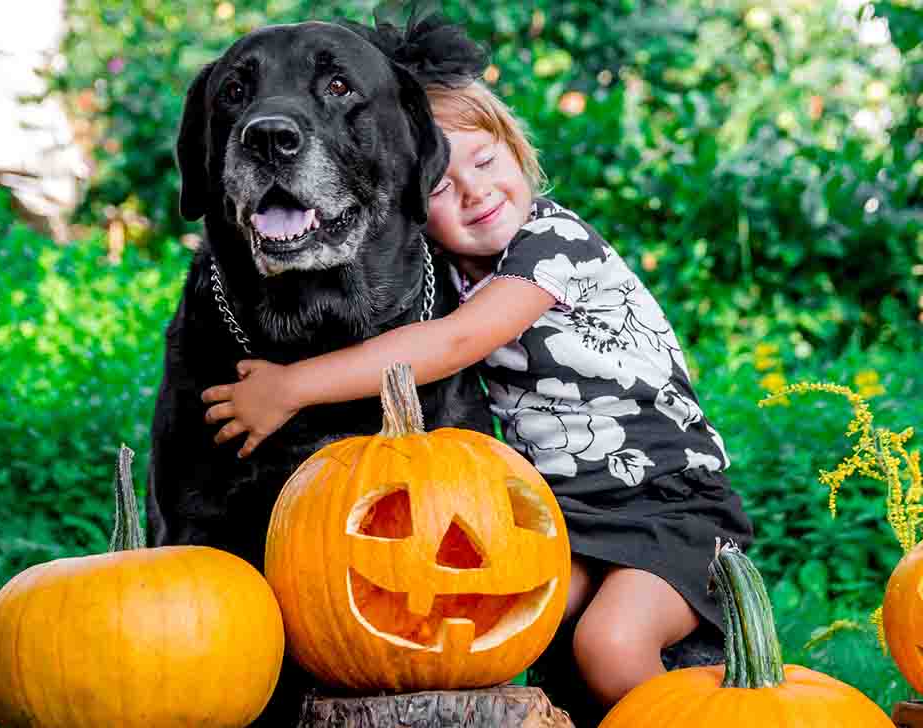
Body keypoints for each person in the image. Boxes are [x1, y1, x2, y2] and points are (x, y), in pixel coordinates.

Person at [201, 78, 754, 707]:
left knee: (610, 644)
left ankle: (704, 718)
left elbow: (452, 344)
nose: (476, 191)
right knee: (494, 620)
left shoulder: (553, 244)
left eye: (487, 161)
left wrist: (293, 386)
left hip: (666, 506)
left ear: (517, 151)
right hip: (576, 522)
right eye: (441, 186)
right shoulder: (454, 273)